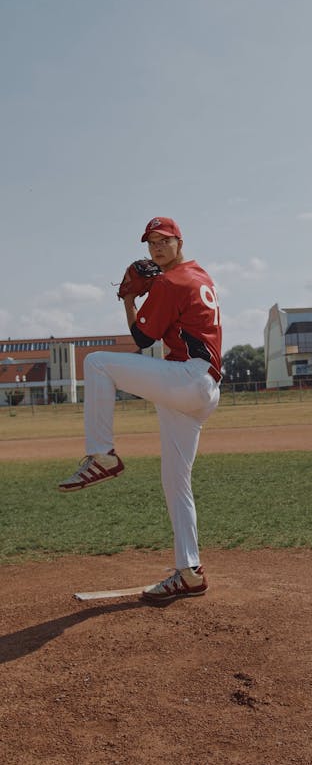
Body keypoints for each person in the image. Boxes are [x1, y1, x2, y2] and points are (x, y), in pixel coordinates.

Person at [58, 216, 222, 604]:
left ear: (179, 241)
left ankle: (102, 456)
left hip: (187, 378)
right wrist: (150, 294)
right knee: (175, 481)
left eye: (164, 241)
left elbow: (142, 337)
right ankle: (189, 572)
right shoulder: (200, 275)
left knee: (97, 363)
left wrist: (131, 299)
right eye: (151, 244)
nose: (156, 249)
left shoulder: (169, 281)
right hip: (200, 388)